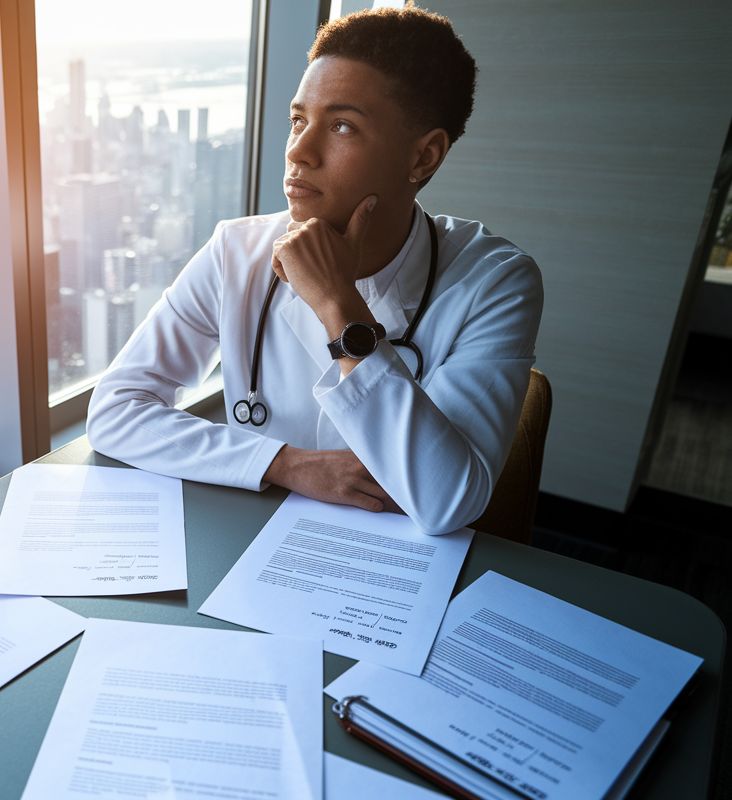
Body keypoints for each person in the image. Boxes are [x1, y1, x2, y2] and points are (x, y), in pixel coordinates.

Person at [85, 5, 543, 536]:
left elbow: (446, 502)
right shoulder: (236, 251)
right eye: (298, 121)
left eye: (342, 126)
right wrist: (286, 464)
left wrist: (336, 303)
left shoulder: (496, 282)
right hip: (260, 545)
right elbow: (115, 409)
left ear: (424, 157)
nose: (299, 152)